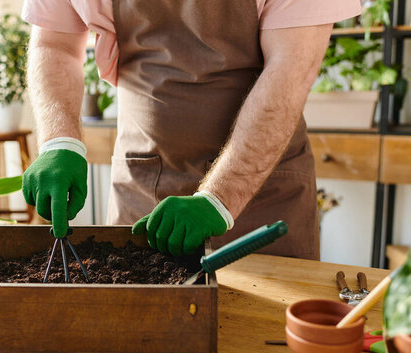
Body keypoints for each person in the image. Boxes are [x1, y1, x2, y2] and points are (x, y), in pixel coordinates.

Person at [21, 0, 361, 260]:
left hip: (261, 199)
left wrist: (221, 198)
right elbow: (55, 45)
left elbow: (291, 70)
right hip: (142, 190)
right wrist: (59, 141)